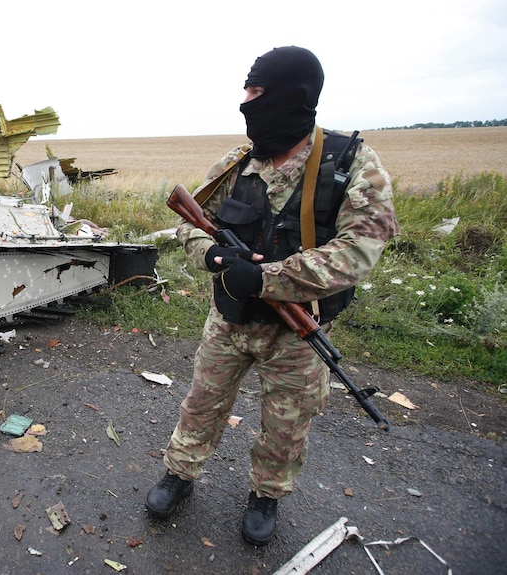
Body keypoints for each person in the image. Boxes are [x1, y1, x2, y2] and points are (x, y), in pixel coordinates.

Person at [145, 46, 399, 546]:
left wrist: (266, 279)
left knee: (286, 425)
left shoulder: (351, 163)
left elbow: (360, 251)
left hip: (297, 332)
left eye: (257, 92)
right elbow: (191, 223)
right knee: (200, 406)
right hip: (230, 320)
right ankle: (179, 474)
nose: (246, 102)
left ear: (294, 96)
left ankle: (266, 495)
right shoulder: (239, 162)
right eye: (247, 90)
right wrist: (213, 257)